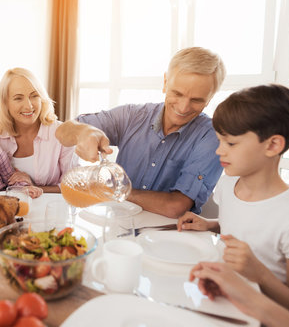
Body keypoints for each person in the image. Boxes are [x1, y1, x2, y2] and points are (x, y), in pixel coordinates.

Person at [177, 84, 289, 320]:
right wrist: (211, 224)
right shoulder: (228, 185)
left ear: (273, 145)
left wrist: (260, 274)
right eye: (219, 141)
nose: (219, 151)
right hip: (230, 302)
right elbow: (245, 222)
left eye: (231, 143)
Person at [55, 47, 226, 217]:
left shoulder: (212, 137)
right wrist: (83, 131)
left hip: (171, 236)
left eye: (196, 100)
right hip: (119, 228)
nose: (183, 107)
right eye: (177, 93)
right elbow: (62, 131)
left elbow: (176, 206)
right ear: (165, 82)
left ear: (210, 97)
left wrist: (115, 190)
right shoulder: (133, 116)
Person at [0, 68, 78, 193]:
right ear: (5, 102)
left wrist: (35, 187)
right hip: (8, 209)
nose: (29, 106)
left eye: (34, 96)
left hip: (51, 209)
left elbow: (73, 186)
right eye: (18, 98)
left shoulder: (62, 134)